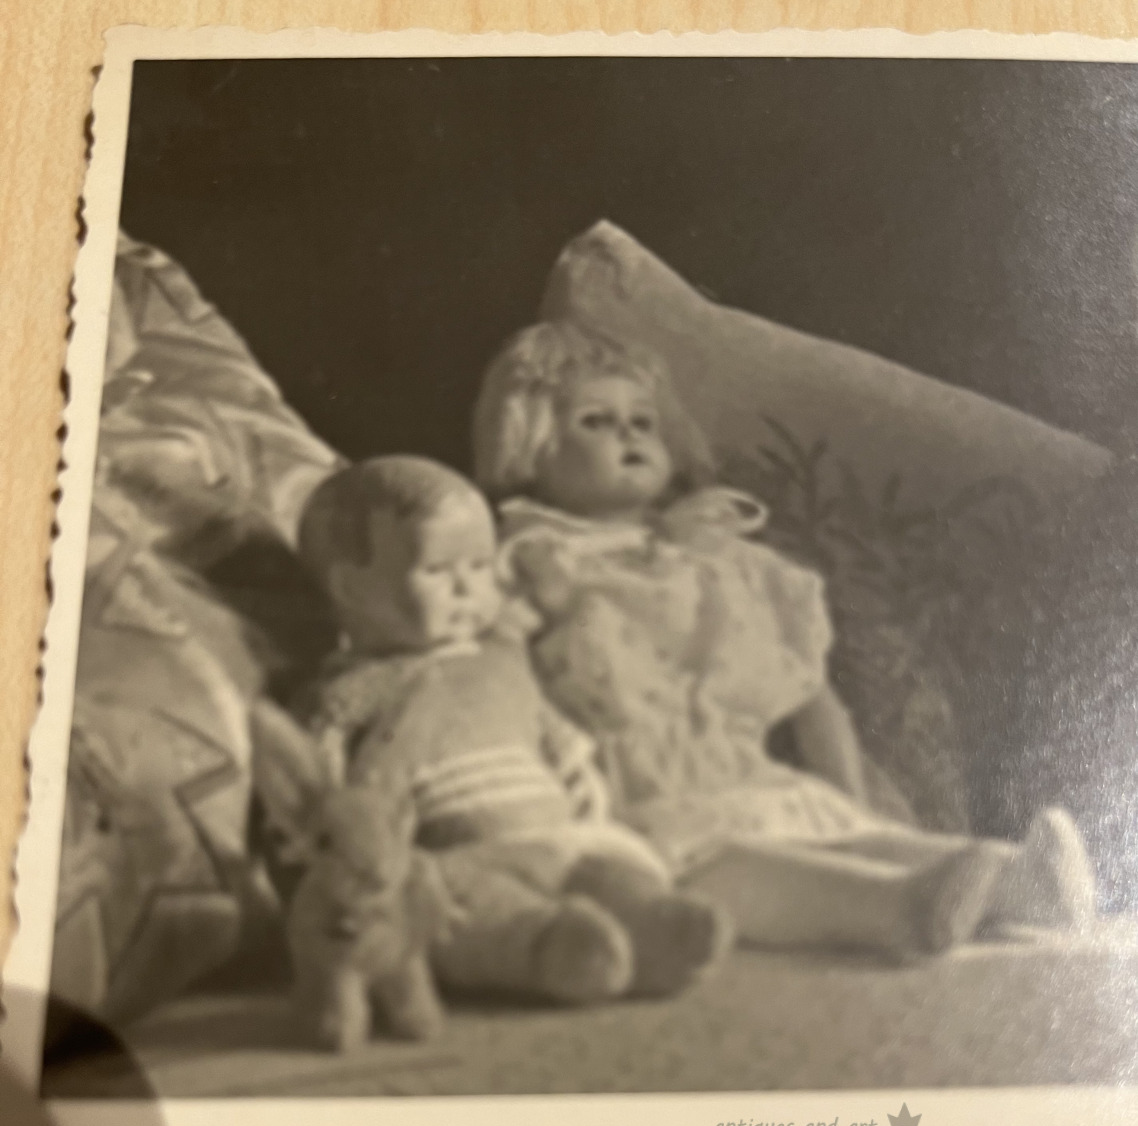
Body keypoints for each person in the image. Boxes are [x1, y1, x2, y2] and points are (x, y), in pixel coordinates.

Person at [472, 319, 1098, 958]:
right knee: (723, 864)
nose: (628, 434)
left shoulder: (713, 558)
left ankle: (1014, 882)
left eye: (642, 421)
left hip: (740, 777)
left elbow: (812, 697)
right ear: (533, 445)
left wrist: (855, 805)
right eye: (596, 422)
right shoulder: (524, 560)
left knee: (841, 832)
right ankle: (894, 909)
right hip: (624, 800)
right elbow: (491, 681)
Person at [287, 454, 730, 1005]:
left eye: (479, 567)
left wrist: (580, 780)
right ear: (353, 589)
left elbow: (554, 735)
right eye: (437, 571)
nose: (466, 589)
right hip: (457, 854)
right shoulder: (353, 691)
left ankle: (653, 925)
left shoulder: (501, 663)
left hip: (553, 834)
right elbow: (315, 782)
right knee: (453, 910)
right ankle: (549, 947)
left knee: (605, 869)